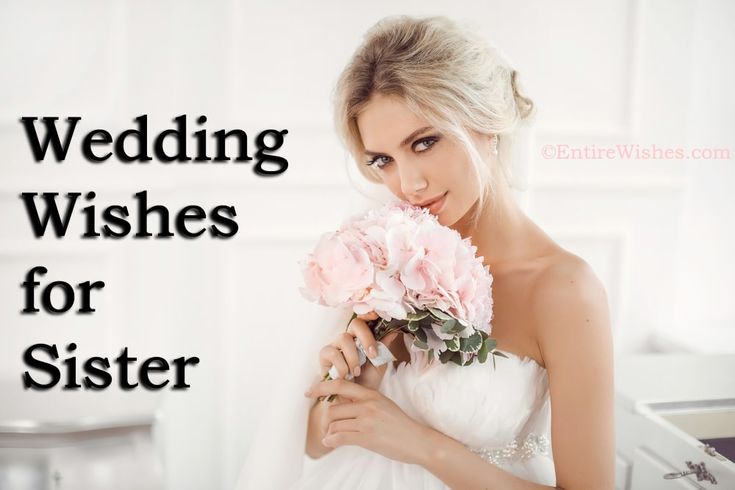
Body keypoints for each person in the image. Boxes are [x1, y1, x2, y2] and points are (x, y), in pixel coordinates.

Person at [235, 14, 615, 490]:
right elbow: (311, 443)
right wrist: (350, 390)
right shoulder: (387, 257)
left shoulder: (564, 290)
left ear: (486, 123)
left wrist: (420, 445)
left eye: (425, 142)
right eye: (383, 161)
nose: (408, 185)